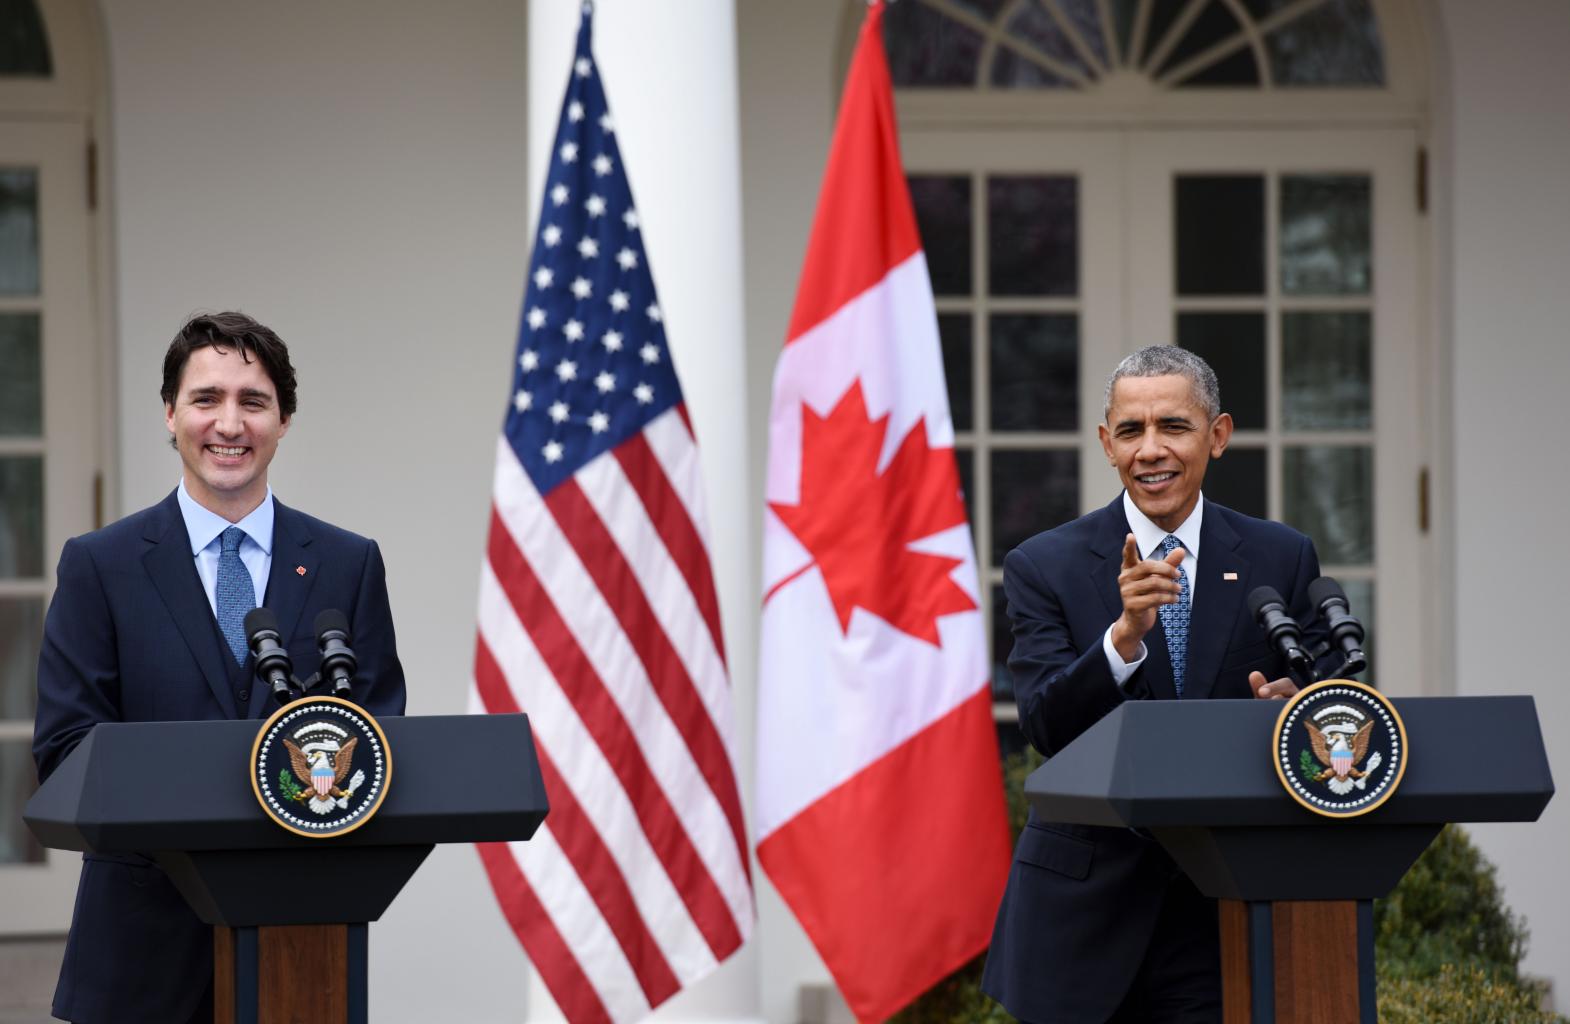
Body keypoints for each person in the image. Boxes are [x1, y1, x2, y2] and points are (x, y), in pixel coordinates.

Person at [32, 311, 407, 1024]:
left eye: (253, 401)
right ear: (170, 414)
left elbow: (380, 733)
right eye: (206, 400)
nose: (228, 424)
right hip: (138, 958)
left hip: (304, 950)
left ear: (284, 420)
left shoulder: (347, 564)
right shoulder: (100, 567)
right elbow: (66, 750)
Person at [981, 345, 1331, 1023]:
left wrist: (1291, 713)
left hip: (1225, 908)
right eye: (1133, 431)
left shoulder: (1279, 556)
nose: (1152, 450)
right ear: (1107, 444)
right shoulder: (1043, 565)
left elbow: (1320, 699)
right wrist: (1124, 638)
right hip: (1085, 918)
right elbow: (1047, 727)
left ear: (1217, 435)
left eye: (1173, 426)